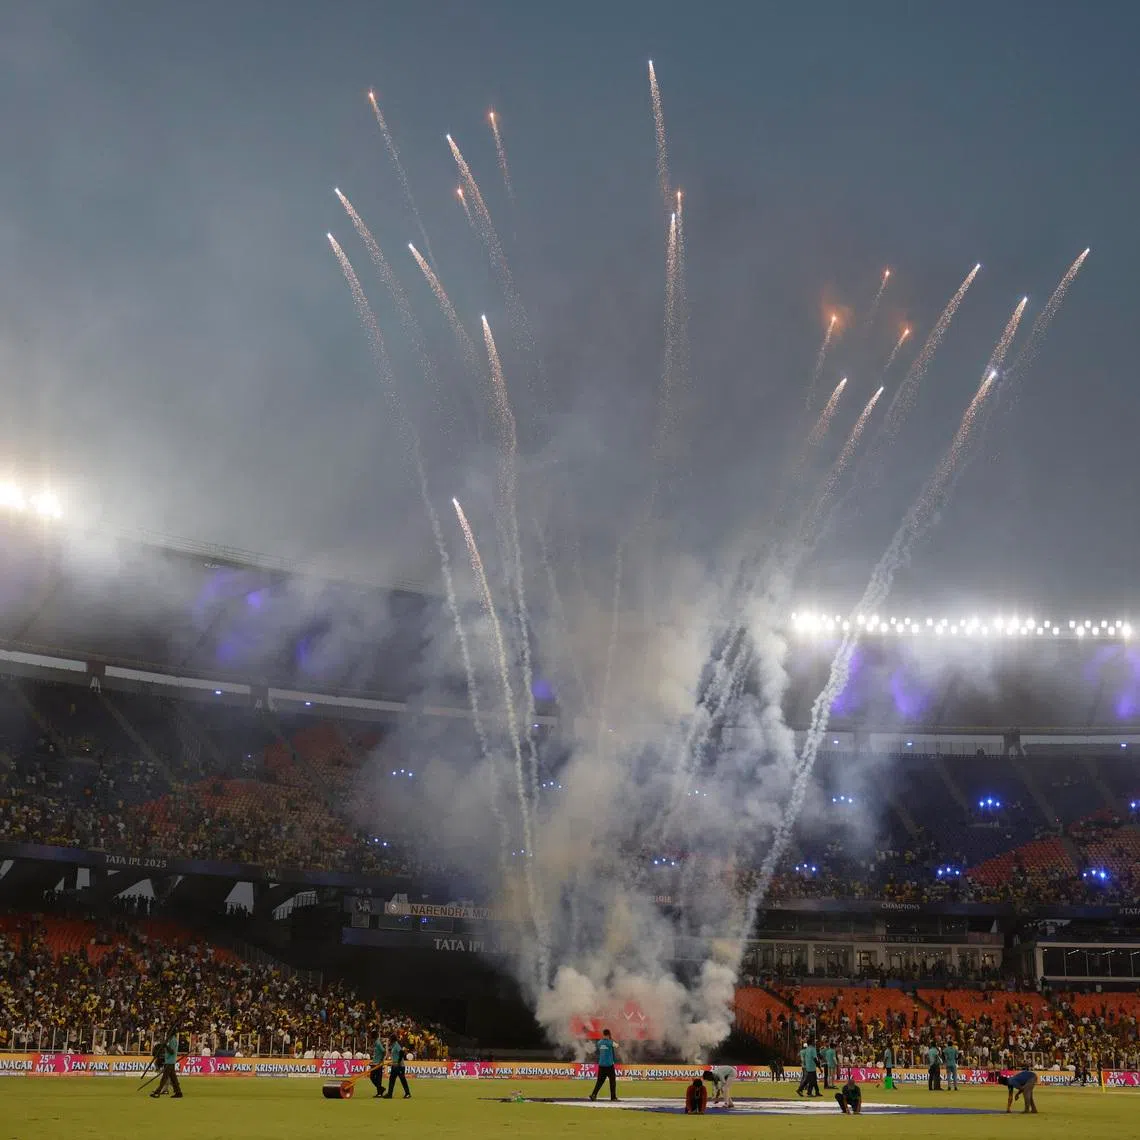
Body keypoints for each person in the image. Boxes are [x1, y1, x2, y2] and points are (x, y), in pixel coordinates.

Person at [151, 1027, 183, 1099]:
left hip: (170, 1061)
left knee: (164, 1078)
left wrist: (165, 1045)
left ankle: (157, 1092)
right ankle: (178, 1092)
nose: (168, 1033)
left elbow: (172, 1051)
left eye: (169, 1032)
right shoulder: (171, 1040)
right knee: (173, 1078)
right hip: (168, 1060)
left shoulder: (173, 1040)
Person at [588, 1029, 619, 1102]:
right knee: (612, 1081)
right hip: (609, 1065)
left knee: (599, 1081)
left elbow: (602, 1046)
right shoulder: (610, 1042)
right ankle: (613, 1097)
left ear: (603, 1034)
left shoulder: (599, 1042)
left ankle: (593, 1094)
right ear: (609, 1034)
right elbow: (617, 1045)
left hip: (601, 1065)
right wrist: (611, 1039)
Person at [369, 1031, 386, 1098]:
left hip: (378, 1063)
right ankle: (380, 1089)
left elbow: (384, 1051)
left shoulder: (378, 1043)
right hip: (375, 1063)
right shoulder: (376, 1043)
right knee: (372, 1077)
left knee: (376, 1078)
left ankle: (379, 1092)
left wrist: (381, 1060)